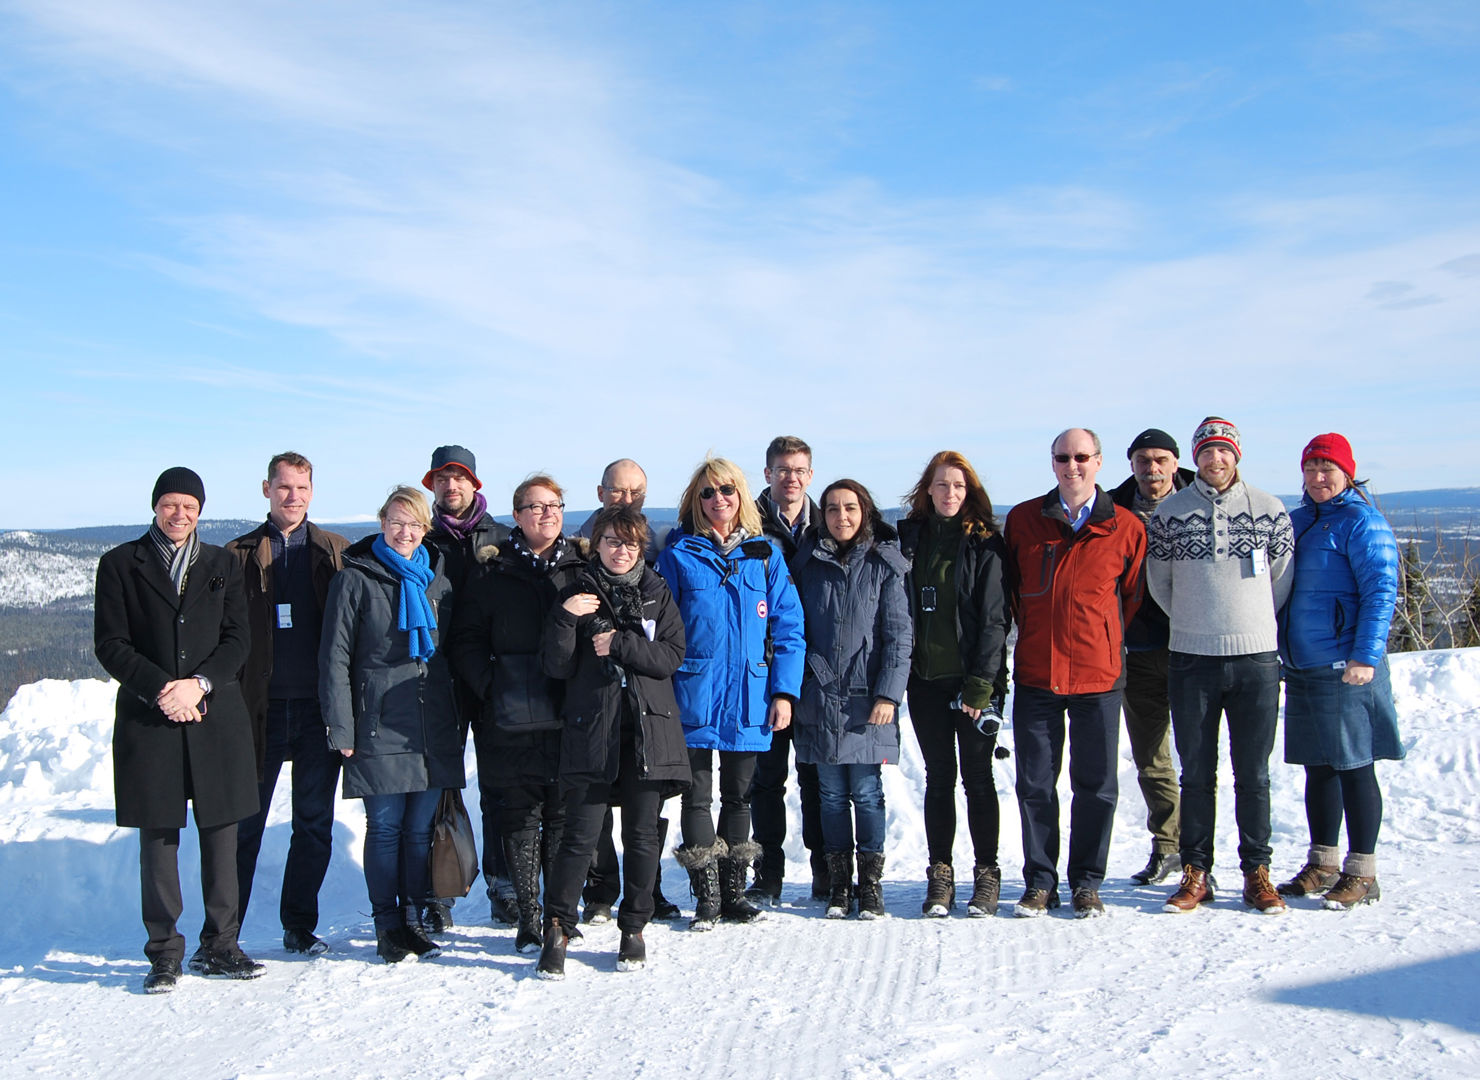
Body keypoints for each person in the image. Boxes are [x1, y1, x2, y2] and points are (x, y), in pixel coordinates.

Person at [94, 467, 263, 992]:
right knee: (159, 837)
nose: (179, 514)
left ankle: (221, 944)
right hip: (151, 717)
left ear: (200, 511)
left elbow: (238, 639)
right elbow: (111, 643)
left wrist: (199, 685)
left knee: (222, 834)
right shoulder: (120, 563)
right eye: (170, 504)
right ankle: (164, 951)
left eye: (190, 506)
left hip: (214, 714)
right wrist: (164, 689)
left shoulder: (222, 563)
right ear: (155, 506)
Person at [1147, 417, 1294, 914]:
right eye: (1206, 452)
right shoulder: (1169, 514)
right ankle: (1196, 871)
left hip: (1256, 658)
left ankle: (1256, 872)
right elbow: (1160, 584)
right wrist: (1196, 621)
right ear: (1196, 458)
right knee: (1196, 774)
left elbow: (1279, 581)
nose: (1215, 459)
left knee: (1253, 774)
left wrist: (1248, 621)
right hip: (1192, 657)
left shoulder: (1270, 510)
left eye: (1223, 451)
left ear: (1236, 455)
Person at [536, 506, 691, 978]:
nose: (621, 551)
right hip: (592, 730)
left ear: (641, 547)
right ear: (597, 545)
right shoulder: (575, 592)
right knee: (579, 836)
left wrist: (620, 644)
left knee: (642, 835)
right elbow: (556, 666)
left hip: (648, 730)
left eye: (631, 543)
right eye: (612, 541)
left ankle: (634, 929)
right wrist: (565, 619)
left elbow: (671, 656)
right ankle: (557, 928)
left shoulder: (656, 591)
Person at [657, 456, 805, 929]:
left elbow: (789, 628)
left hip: (749, 694)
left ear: (740, 494)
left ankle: (734, 893)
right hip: (693, 693)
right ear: (695, 501)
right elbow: (660, 627)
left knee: (740, 796)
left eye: (726, 490)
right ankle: (707, 897)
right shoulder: (678, 555)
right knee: (696, 798)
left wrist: (784, 693)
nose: (718, 499)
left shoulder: (765, 557)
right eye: (707, 492)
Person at [319, 485, 465, 962]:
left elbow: (452, 652)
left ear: (426, 528)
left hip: (430, 721)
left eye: (414, 523)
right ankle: (387, 926)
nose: (405, 532)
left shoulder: (437, 580)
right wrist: (341, 726)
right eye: (397, 522)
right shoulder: (355, 579)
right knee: (384, 828)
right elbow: (335, 656)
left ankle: (414, 920)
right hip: (378, 722)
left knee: (419, 831)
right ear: (382, 522)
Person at [1004, 430, 1146, 918]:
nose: (1072, 466)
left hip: (1098, 678)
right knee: (1035, 785)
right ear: (1052, 463)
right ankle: (1040, 882)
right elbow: (1013, 591)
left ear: (1099, 462)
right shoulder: (1025, 520)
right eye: (1063, 457)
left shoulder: (1124, 526)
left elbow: (1132, 596)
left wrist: (1102, 636)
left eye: (1081, 457)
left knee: (1096, 787)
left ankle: (1086, 881)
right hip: (1037, 674)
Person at [447, 475, 585, 955]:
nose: (547, 514)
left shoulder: (581, 567)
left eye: (555, 505)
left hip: (568, 712)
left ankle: (558, 915)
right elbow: (465, 639)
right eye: (536, 507)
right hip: (508, 717)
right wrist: (492, 688)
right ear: (518, 515)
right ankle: (528, 916)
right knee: (520, 816)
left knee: (561, 814)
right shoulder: (493, 571)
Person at [227, 452, 348, 956]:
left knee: (313, 824)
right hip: (259, 710)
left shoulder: (336, 551)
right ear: (266, 489)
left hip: (318, 709)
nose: (292, 496)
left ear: (312, 492)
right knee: (243, 826)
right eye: (283, 487)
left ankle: (299, 925)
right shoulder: (237, 555)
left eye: (301, 488)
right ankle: (224, 934)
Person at [1277, 433, 1402, 909]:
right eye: (1310, 468)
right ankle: (1323, 863)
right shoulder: (1298, 520)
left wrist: (1364, 656)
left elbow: (1381, 590)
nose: (1317, 477)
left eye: (1327, 468)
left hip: (1346, 666)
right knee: (1319, 767)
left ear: (1347, 473)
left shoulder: (1362, 521)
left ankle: (1363, 871)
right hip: (1302, 664)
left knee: (1353, 765)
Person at [790, 480, 912, 919]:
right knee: (829, 795)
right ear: (821, 515)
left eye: (850, 508)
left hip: (866, 700)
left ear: (865, 513)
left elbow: (898, 638)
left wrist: (888, 694)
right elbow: (794, 629)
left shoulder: (883, 565)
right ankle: (840, 884)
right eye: (832, 509)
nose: (841, 516)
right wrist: (807, 678)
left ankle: (871, 884)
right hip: (819, 697)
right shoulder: (807, 564)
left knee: (866, 792)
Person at [898, 451, 1012, 918]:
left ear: (970, 492)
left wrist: (982, 683)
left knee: (978, 779)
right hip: (925, 679)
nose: (950, 493)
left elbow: (994, 619)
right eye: (942, 484)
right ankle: (940, 873)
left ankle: (986, 872)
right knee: (939, 778)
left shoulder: (985, 543)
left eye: (959, 486)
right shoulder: (910, 539)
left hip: (973, 683)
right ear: (928, 488)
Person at [569, 458, 679, 923]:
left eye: (636, 492)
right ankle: (600, 890)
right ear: (600, 493)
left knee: (644, 812)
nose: (627, 499)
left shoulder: (657, 547)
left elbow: (671, 643)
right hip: (595, 701)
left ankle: (648, 891)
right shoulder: (577, 553)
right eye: (618, 490)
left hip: (645, 702)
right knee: (595, 812)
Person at [422, 444, 512, 928]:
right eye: (442, 478)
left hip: (491, 676)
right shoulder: (422, 538)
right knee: (439, 786)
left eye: (459, 477)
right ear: (432, 485)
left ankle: (505, 886)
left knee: (499, 785)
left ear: (474, 484)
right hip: (438, 679)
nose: (450, 485)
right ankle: (439, 892)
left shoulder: (501, 538)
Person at [1109, 429, 1194, 886]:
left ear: (1175, 464)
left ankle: (1199, 853)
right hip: (1139, 649)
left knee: (1199, 757)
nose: (1152, 468)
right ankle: (1167, 846)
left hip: (1195, 647)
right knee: (1151, 757)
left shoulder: (1201, 502)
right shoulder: (1112, 509)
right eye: (1143, 460)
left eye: (1161, 459)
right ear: (1132, 464)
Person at [747, 435, 828, 904]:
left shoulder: (830, 521)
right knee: (766, 778)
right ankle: (768, 871)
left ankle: (824, 868)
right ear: (768, 474)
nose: (791, 478)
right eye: (782, 470)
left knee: (815, 776)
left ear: (810, 475)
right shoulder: (749, 523)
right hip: (765, 668)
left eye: (799, 470)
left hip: (818, 668)